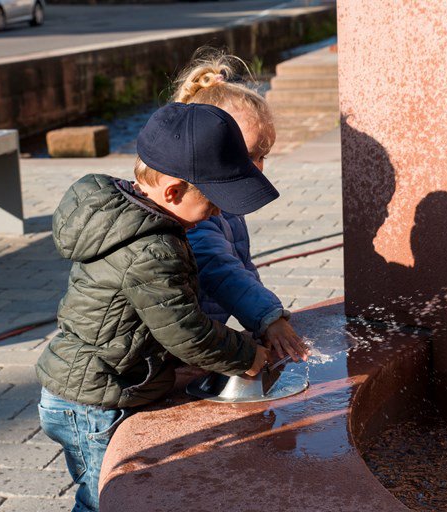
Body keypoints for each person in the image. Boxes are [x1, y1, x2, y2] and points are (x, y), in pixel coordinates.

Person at [35, 102, 278, 512]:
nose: (219, 213)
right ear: (173, 191)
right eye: (214, 203)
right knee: (108, 500)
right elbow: (187, 331)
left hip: (88, 388)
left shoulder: (129, 216)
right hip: (96, 402)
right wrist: (247, 355)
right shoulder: (152, 250)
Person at [171, 51, 309, 362]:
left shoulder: (227, 203)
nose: (258, 168)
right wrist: (268, 318)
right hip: (175, 344)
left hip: (199, 337)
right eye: (248, 156)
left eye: (264, 155)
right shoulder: (193, 210)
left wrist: (265, 317)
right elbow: (217, 266)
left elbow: (241, 265)